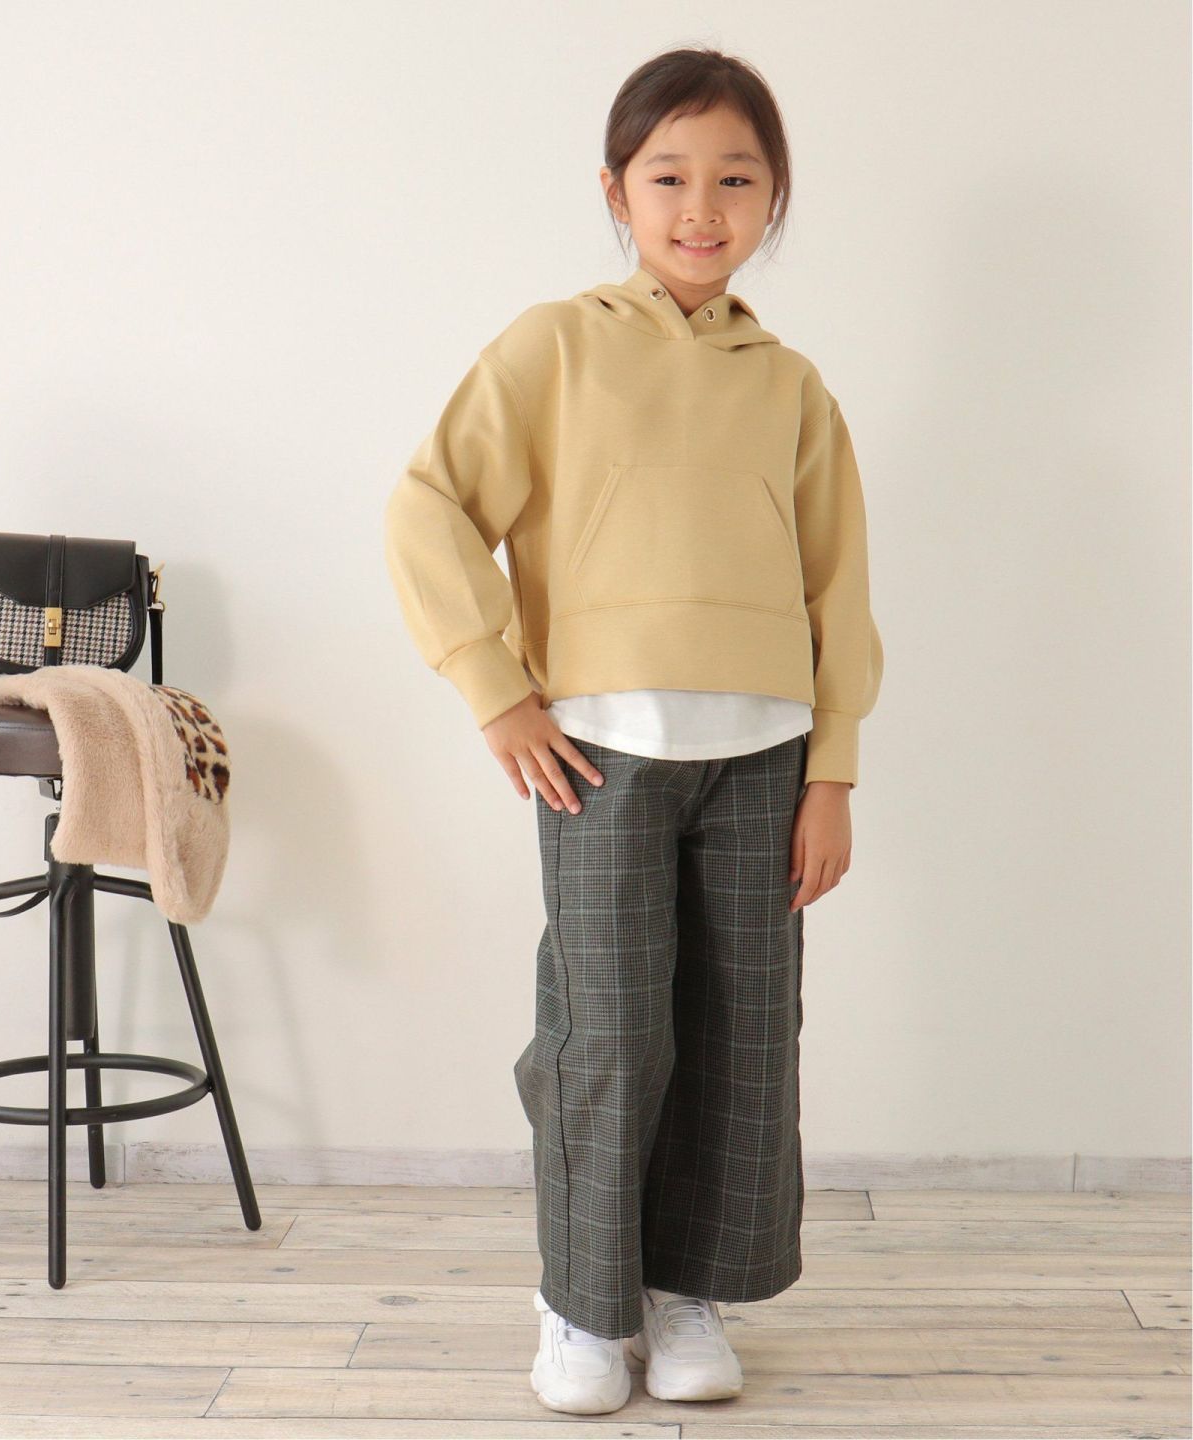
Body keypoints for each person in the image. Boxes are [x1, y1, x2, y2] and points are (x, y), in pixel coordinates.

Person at [384, 45, 883, 1417]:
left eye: (736, 180)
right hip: (597, 752)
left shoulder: (791, 386)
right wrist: (496, 686)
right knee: (606, 1036)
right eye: (669, 177)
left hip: (766, 756)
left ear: (774, 198)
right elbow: (428, 505)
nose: (701, 208)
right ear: (616, 191)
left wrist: (833, 771)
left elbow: (840, 587)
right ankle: (581, 1303)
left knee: (742, 1036)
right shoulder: (554, 347)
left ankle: (685, 1294)